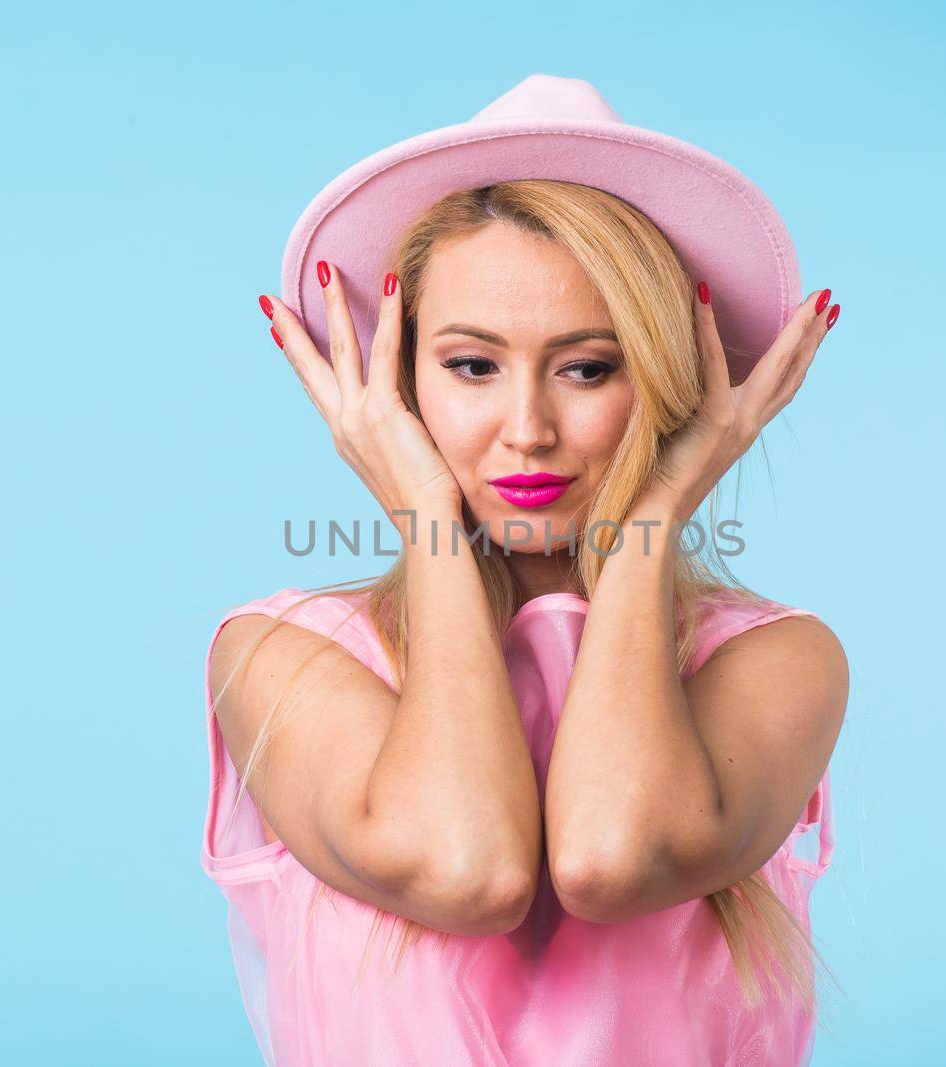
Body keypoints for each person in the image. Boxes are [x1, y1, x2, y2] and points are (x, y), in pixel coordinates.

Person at [201, 75, 849, 1066]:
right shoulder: (281, 655)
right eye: (471, 365)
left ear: (666, 379)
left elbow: (608, 857)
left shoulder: (776, 662)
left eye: (588, 367)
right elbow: (469, 871)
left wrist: (650, 518)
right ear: (398, 379)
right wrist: (428, 520)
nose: (528, 431)